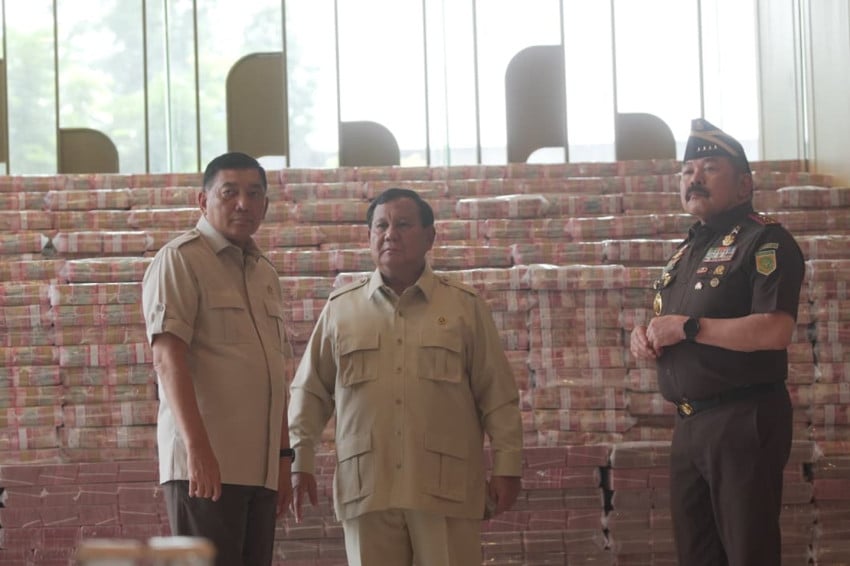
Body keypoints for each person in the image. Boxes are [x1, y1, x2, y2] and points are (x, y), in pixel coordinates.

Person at [287, 187, 523, 566]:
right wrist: (300, 459)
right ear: (369, 237)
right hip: (368, 488)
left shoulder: (463, 308)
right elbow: (310, 392)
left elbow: (497, 394)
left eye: (403, 224)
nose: (390, 234)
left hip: (443, 487)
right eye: (380, 226)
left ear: (430, 236)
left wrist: (508, 466)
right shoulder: (342, 310)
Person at [630, 118, 805, 566]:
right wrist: (645, 337)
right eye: (688, 171)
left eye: (709, 168)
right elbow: (671, 321)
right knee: (697, 555)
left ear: (744, 185)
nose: (695, 178)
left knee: (748, 553)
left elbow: (775, 330)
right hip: (690, 424)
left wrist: (689, 328)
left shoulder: (764, 240)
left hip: (742, 419)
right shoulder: (686, 251)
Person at [141, 152, 293, 566]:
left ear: (265, 205)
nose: (243, 203)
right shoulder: (181, 259)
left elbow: (275, 374)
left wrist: (283, 460)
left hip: (259, 471)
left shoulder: (265, 273)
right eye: (230, 193)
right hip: (207, 468)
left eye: (254, 194)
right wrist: (197, 449)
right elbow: (167, 360)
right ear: (203, 201)